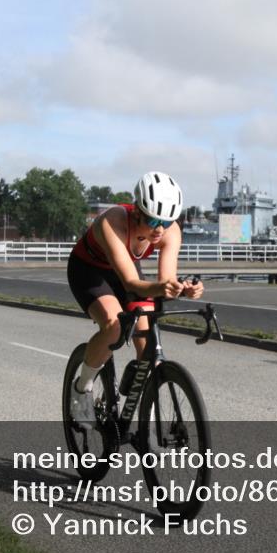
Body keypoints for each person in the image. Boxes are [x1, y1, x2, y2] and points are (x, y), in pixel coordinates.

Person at [66, 171, 204, 425]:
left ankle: (143, 413)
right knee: (115, 327)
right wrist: (163, 287)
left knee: (146, 342)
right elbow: (131, 283)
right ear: (137, 211)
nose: (159, 230)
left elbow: (165, 279)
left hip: (127, 271)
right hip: (90, 271)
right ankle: (81, 388)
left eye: (167, 221)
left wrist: (184, 288)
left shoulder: (170, 231)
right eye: (152, 221)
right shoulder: (113, 221)